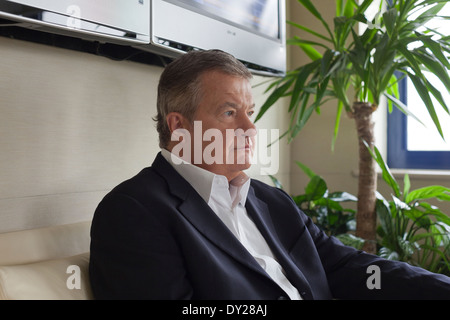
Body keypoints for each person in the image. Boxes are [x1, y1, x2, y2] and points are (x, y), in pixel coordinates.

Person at [89, 49, 450, 300]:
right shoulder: (133, 212)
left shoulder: (269, 200)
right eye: (230, 113)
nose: (251, 128)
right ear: (179, 126)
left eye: (250, 111)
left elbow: (347, 265)